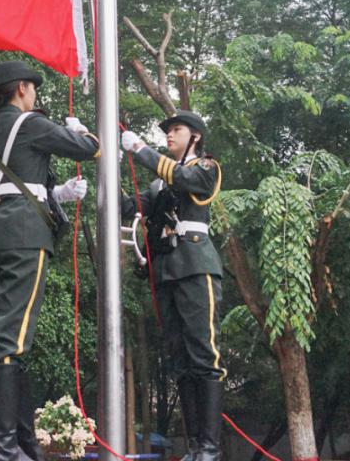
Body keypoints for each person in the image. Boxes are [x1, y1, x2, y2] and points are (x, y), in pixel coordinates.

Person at [0, 60, 98, 461]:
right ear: (22, 88)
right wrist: (78, 130)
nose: (36, 94)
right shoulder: (30, 124)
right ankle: (5, 449)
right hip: (23, 235)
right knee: (10, 339)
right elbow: (92, 149)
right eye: (33, 88)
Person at [121, 110, 224, 461]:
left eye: (176, 130)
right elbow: (129, 206)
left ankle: (209, 448)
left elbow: (183, 178)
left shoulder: (207, 168)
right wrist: (100, 159)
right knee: (180, 359)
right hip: (167, 272)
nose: (169, 135)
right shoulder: (158, 185)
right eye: (166, 131)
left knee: (204, 355)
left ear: (194, 135)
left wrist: (141, 150)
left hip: (196, 267)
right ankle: (196, 446)